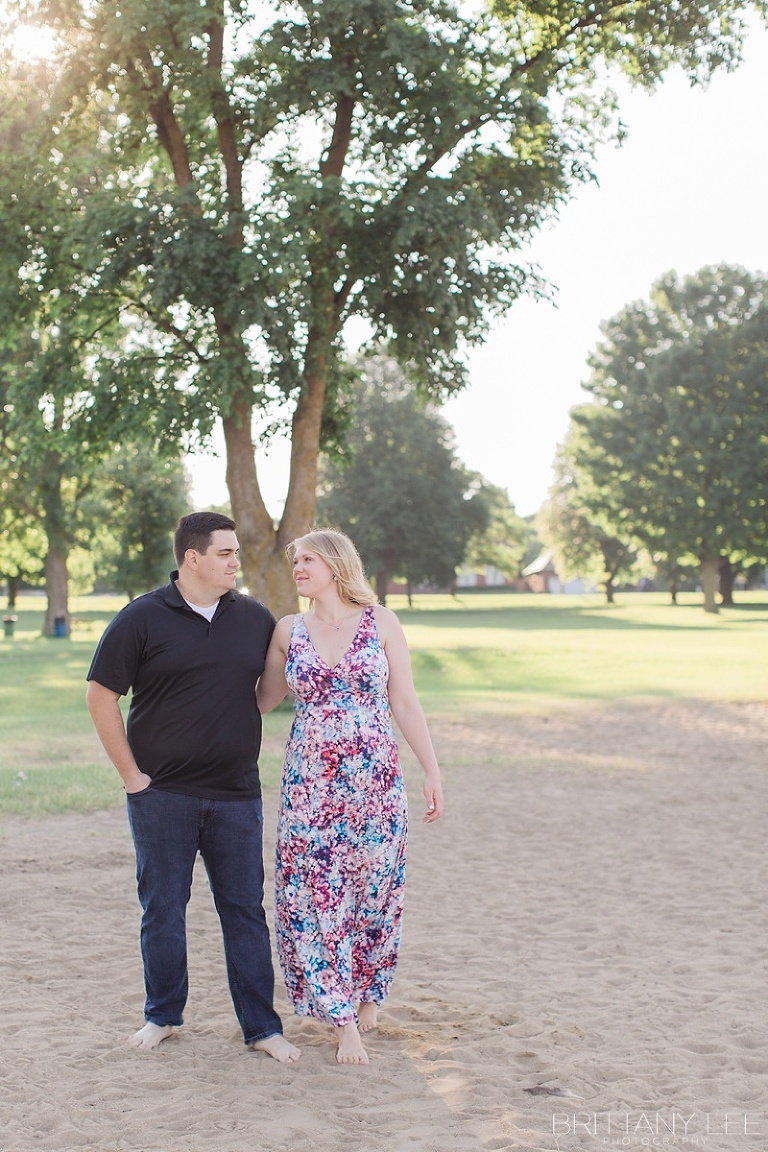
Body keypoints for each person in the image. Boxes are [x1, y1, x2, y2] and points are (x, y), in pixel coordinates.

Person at [86, 511, 300, 1064]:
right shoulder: (141, 617)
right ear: (192, 558)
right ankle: (162, 1015)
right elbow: (100, 696)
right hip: (162, 795)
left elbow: (265, 694)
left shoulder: (254, 617)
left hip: (236, 793)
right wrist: (133, 778)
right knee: (163, 908)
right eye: (225, 553)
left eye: (236, 553)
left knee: (244, 910)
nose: (235, 562)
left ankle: (261, 1027)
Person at [257, 528, 443, 1066]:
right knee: (316, 893)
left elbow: (404, 700)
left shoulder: (381, 622)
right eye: (296, 560)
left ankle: (367, 993)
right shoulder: (288, 631)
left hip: (376, 786)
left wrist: (431, 770)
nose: (298, 568)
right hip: (311, 788)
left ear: (337, 565)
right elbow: (262, 700)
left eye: (307, 560)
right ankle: (342, 1022)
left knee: (375, 889)